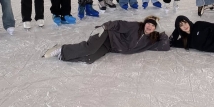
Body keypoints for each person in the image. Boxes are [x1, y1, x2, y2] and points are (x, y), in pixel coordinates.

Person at [42, 16, 170, 64]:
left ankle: (62, 55)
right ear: (145, 23)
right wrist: (104, 27)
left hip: (110, 46)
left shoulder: (149, 41)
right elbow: (118, 23)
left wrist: (161, 30)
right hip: (106, 34)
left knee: (89, 59)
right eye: (149, 23)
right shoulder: (135, 26)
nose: (149, 26)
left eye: (153, 26)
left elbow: (165, 46)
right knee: (90, 48)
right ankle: (61, 48)